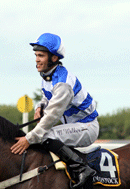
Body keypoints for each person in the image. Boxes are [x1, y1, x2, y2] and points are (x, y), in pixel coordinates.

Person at [11, 33, 99, 188]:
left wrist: (29, 139)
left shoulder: (63, 84)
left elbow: (52, 115)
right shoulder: (48, 76)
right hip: (75, 125)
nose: (37, 59)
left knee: (45, 135)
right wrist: (40, 106)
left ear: (53, 58)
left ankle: (83, 170)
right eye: (36, 55)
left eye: (41, 56)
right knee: (41, 134)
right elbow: (48, 97)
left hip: (87, 127)